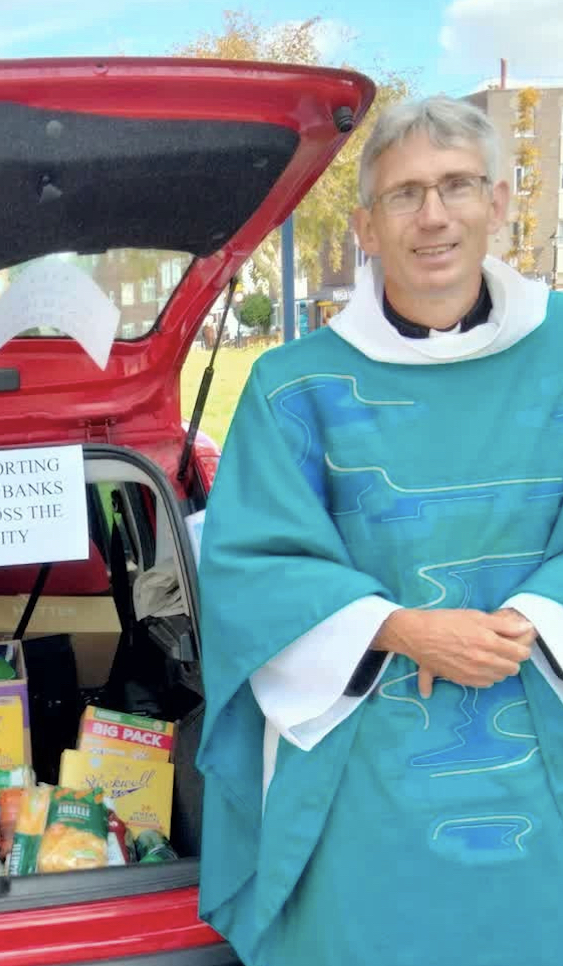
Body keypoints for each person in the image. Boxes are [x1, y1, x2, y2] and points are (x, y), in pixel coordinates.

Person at [196, 96, 563, 966]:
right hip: (364, 746)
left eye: (457, 186)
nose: (433, 216)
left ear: (501, 203)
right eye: (404, 195)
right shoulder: (293, 386)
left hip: (539, 708)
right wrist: (400, 627)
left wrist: (537, 616)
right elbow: (252, 566)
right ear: (365, 224)